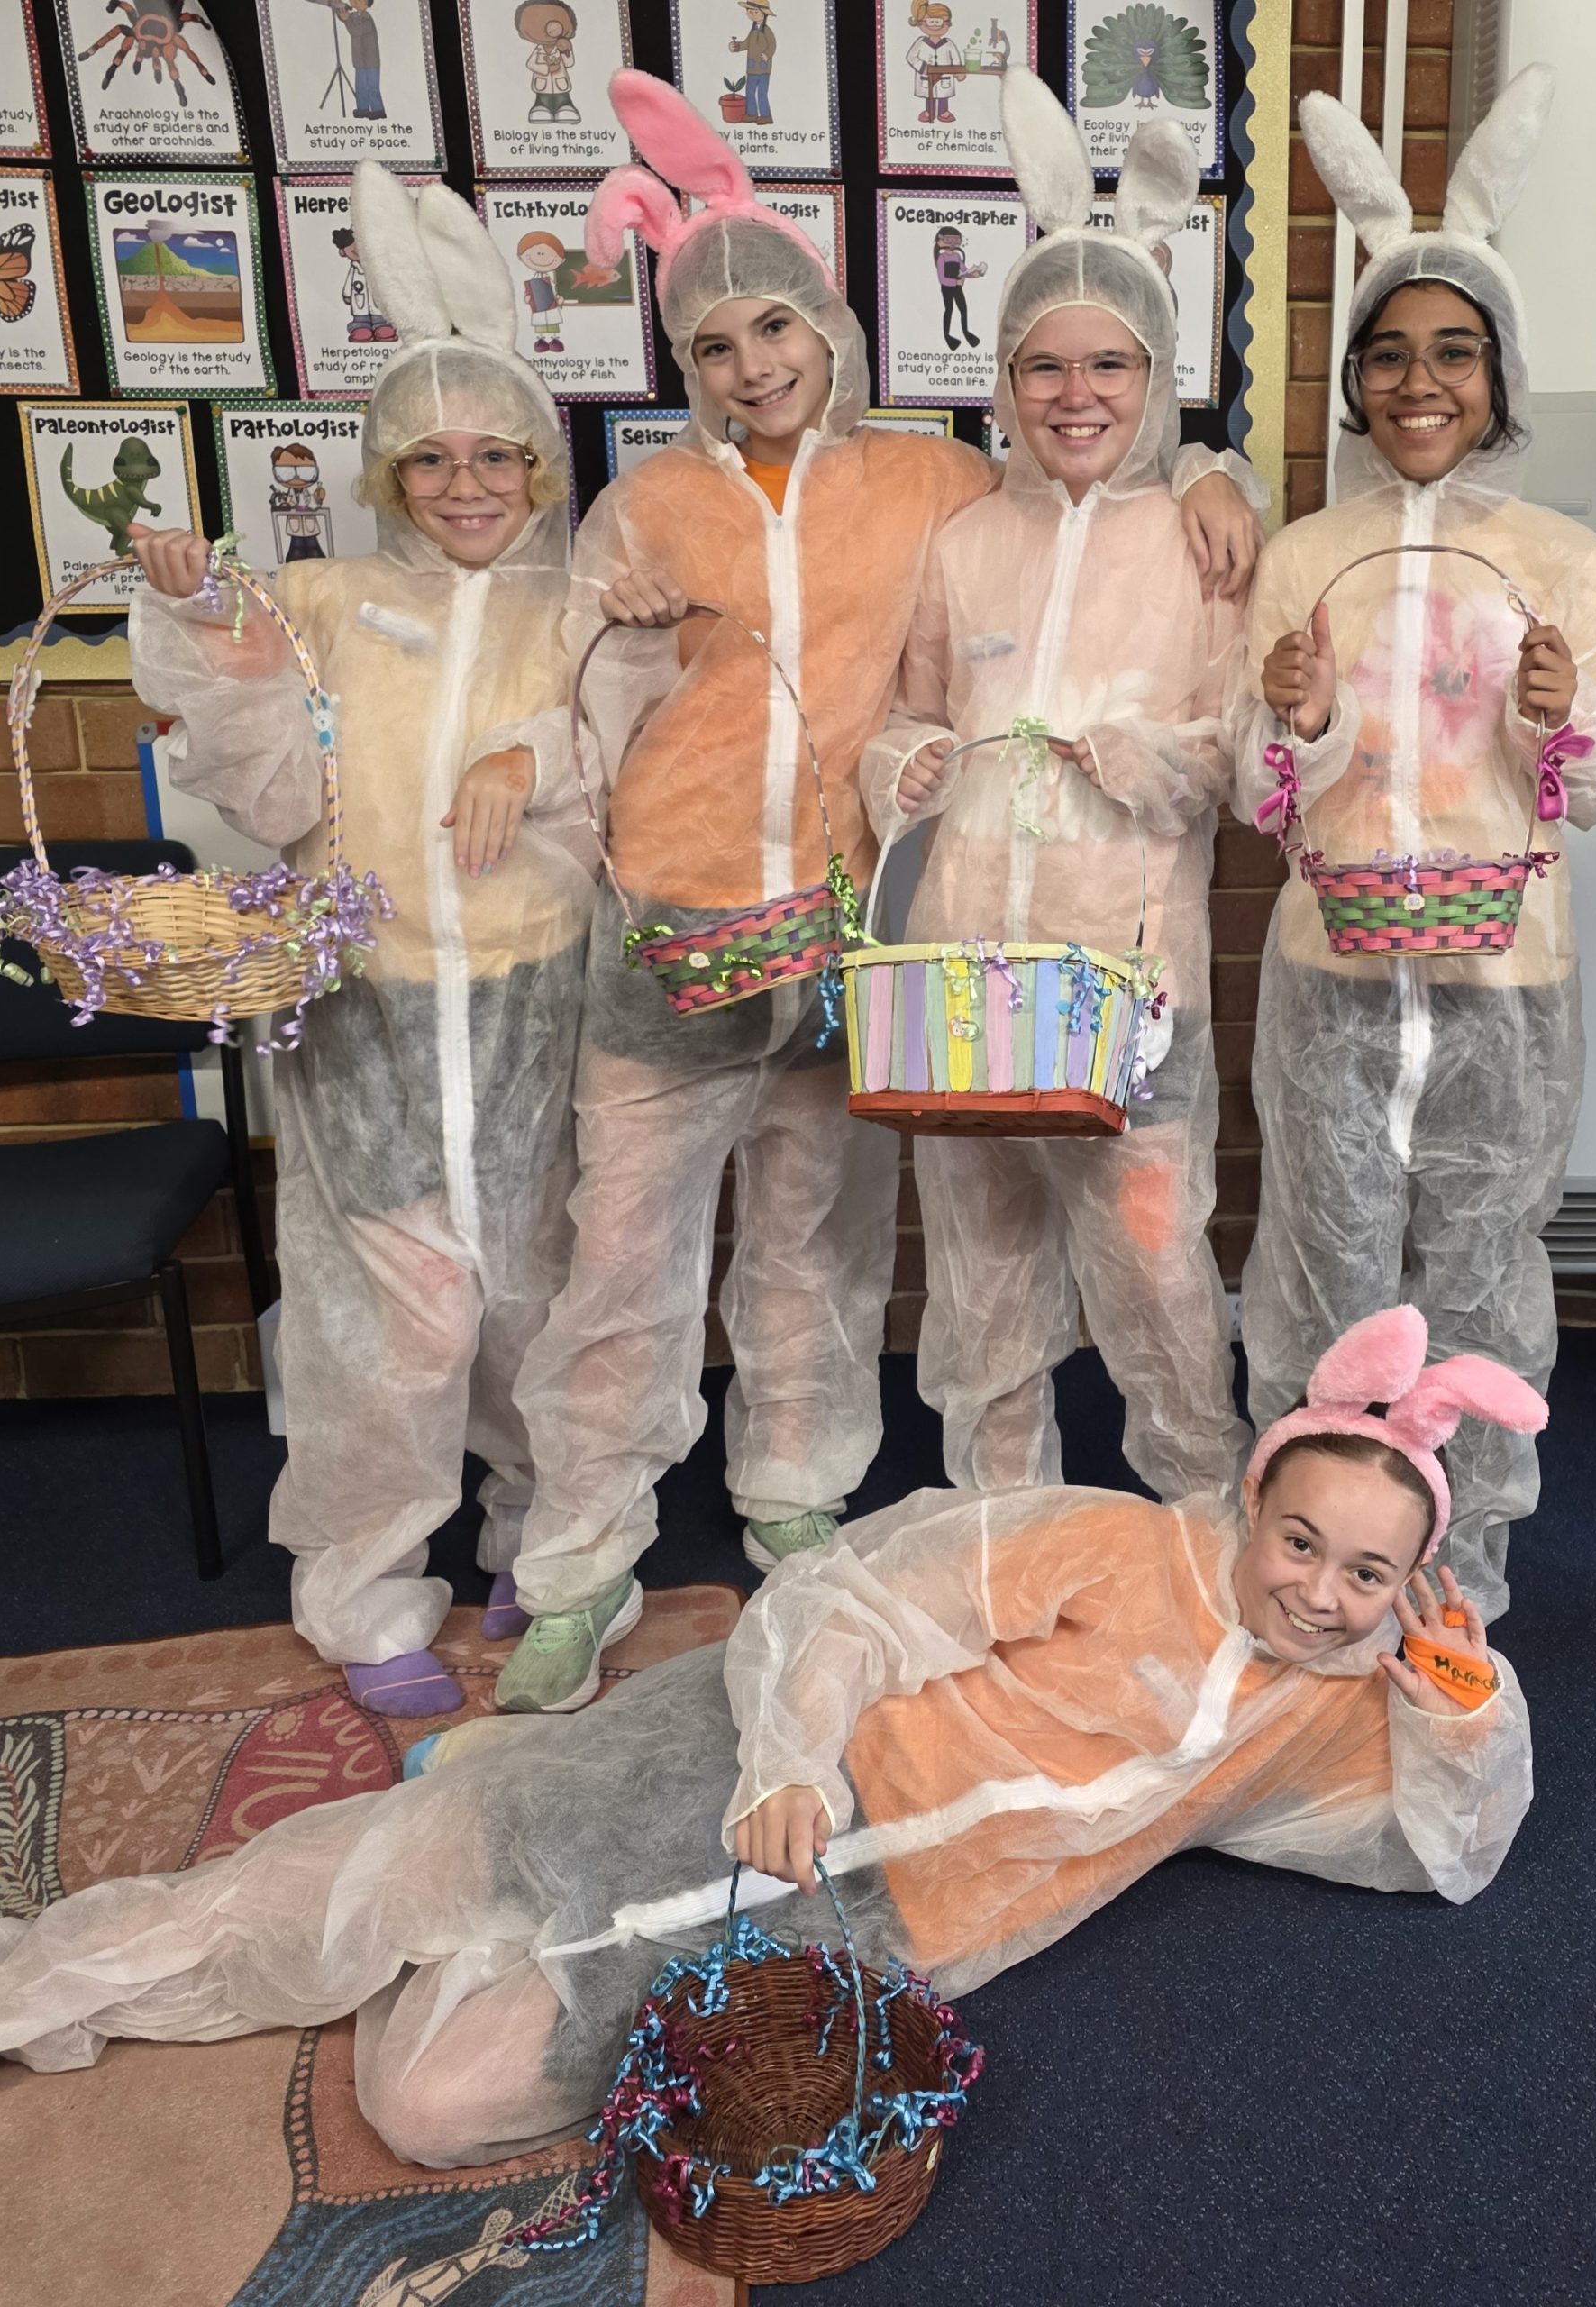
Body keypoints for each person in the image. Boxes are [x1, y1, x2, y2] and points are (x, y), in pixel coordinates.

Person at [0, 1309, 1541, 2173]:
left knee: (430, 2108)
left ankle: (469, 1874)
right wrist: (788, 1758)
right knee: (313, 1900)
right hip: (741, 1778)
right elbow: (848, 1600)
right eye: (1299, 1541)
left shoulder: (1327, 1711)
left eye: (1367, 1574)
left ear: (1412, 1587)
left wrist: (1459, 1711)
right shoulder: (1113, 1544)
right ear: (1253, 1505)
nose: (1319, 1594)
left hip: (846, 1925)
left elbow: (1432, 1850)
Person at [490, 73, 1262, 1714]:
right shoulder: (652, 509)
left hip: (914, 956)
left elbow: (1149, 564)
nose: (752, 365)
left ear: (830, 328)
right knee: (624, 1265)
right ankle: (578, 1560)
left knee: (836, 1245)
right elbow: (579, 701)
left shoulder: (931, 488)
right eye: (713, 343)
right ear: (683, 365)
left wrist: (1217, 467)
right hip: (703, 939)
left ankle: (812, 1487)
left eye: (775, 326)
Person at [121, 167, 595, 1719]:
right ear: (387, 473)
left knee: (535, 1295)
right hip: (367, 1009)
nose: (466, 485)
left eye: (496, 455)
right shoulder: (318, 601)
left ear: (540, 464)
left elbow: (634, 762)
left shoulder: (584, 608)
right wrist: (215, 632)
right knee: (389, 1325)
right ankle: (365, 1584)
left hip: (537, 1001)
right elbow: (266, 791)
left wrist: (527, 750)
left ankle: (543, 1542)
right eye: (429, 458)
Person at [1234, 68, 1596, 1621]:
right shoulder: (1304, 553)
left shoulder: (1560, 558)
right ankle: (1308, 1553)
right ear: (1355, 382)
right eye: (1389, 354)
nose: (1420, 382)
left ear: (1500, 374)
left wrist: (1565, 714)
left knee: (1482, 1269)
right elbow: (1248, 791)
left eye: (1454, 352)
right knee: (1323, 1262)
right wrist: (1290, 721)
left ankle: (1457, 1570)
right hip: (1331, 978)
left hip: (1503, 982)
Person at [862, 72, 1253, 1503]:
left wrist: (1157, 760)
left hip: (1130, 980)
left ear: (1157, 375)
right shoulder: (966, 541)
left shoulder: (1208, 542)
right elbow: (910, 710)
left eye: (1109, 366)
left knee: (1155, 1269)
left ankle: (1199, 1512)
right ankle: (997, 1524)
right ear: (1004, 379)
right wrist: (895, 763)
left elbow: (1245, 747)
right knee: (979, 1277)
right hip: (967, 968)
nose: (1075, 396)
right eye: (1043, 367)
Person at [728, 0, 774, 124]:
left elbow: (772, 45)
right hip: (752, 68)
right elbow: (746, 44)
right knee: (749, 92)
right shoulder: (753, 31)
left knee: (762, 93)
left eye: (755, 12)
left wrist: (767, 54)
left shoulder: (767, 31)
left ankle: (766, 116)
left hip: (763, 69)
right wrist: (736, 46)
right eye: (749, 12)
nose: (752, 14)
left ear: (763, 14)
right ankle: (751, 114)